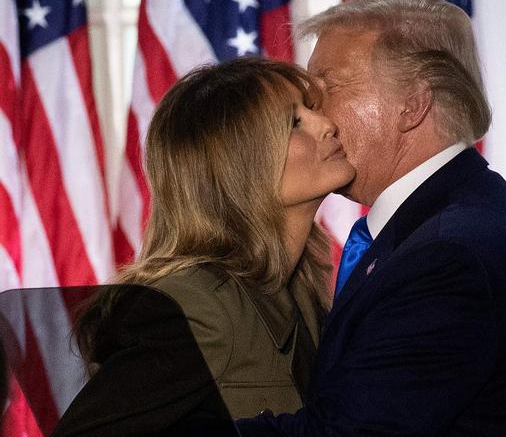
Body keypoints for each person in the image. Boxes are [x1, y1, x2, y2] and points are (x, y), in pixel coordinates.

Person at [238, 0, 506, 436]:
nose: (317, 117)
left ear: (414, 104)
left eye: (328, 89)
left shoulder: (446, 257)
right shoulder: (450, 222)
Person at [51, 57, 356, 435]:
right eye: (294, 122)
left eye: (312, 110)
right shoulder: (198, 306)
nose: (327, 125)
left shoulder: (298, 289)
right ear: (240, 167)